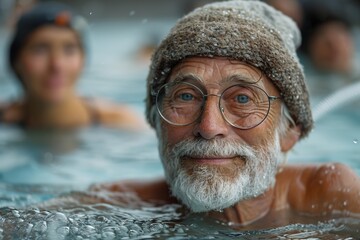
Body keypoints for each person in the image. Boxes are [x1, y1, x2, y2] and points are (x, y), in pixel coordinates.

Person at [92, 0, 360, 227]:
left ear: (291, 131)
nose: (209, 127)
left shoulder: (332, 198)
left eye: (242, 99)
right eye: (186, 96)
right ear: (155, 121)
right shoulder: (114, 206)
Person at [0, 2, 145, 129]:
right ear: (16, 61)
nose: (57, 65)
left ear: (83, 60)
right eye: (40, 49)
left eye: (69, 49)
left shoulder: (123, 124)